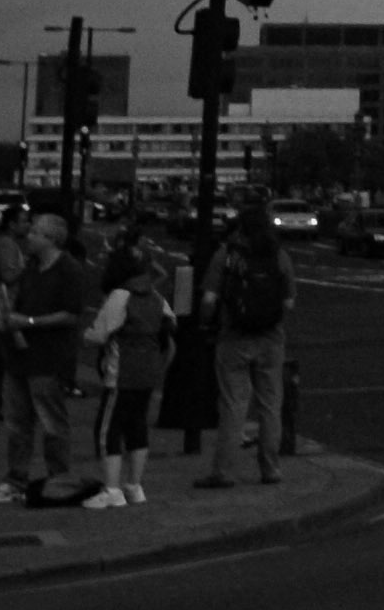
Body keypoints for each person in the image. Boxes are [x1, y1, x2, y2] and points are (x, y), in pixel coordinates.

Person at [0, 207, 99, 507]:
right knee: (17, 423)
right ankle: (16, 479)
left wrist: (30, 322)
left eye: (35, 232)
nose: (29, 235)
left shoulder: (70, 270)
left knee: (52, 423)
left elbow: (71, 315)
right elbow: (19, 301)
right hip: (19, 356)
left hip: (48, 358)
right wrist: (6, 319)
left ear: (51, 239)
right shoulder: (31, 268)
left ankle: (58, 479)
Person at [199, 204, 294, 489]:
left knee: (233, 405)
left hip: (234, 337)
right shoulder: (278, 255)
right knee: (270, 405)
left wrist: (207, 325)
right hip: (271, 338)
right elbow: (289, 302)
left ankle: (224, 472)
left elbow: (208, 300)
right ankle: (271, 469)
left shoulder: (226, 255)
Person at [82, 248, 176, 508]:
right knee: (137, 427)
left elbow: (99, 335)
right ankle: (134, 486)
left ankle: (111, 489)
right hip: (147, 374)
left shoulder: (119, 297)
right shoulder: (156, 297)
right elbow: (169, 329)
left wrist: (86, 333)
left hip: (121, 373)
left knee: (107, 429)